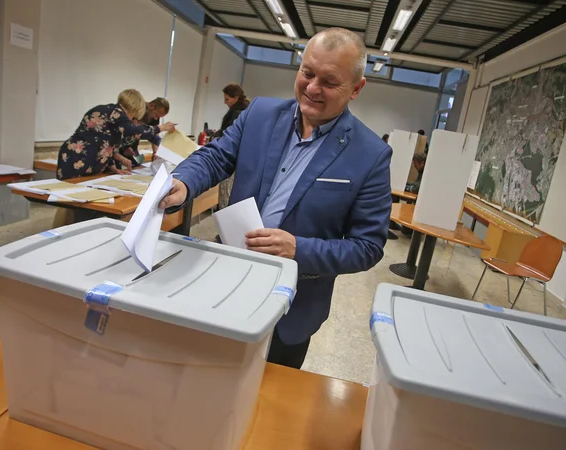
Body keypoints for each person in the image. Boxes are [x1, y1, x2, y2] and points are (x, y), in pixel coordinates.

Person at [159, 28, 392, 369]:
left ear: (356, 88)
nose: (312, 88)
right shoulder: (259, 115)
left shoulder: (371, 154)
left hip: (292, 307)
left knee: (270, 404)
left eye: (329, 82)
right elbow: (216, 156)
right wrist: (183, 182)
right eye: (307, 73)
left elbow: (367, 247)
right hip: (226, 281)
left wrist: (299, 249)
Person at [57, 89, 175, 180]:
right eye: (134, 116)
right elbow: (134, 130)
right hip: (76, 158)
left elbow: (109, 145)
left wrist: (113, 168)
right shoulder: (116, 112)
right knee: (70, 198)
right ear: (134, 107)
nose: (133, 119)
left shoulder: (115, 117)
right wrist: (161, 128)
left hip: (89, 162)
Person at [214, 84, 251, 209]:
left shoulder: (237, 113)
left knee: (226, 197)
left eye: (227, 99)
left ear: (236, 98)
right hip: (241, 160)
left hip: (231, 160)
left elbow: (230, 135)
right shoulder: (247, 110)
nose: (225, 102)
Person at [119, 97, 171, 168]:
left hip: (133, 141)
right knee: (118, 163)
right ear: (151, 106)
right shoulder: (136, 109)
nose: (156, 118)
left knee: (138, 162)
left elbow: (152, 134)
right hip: (120, 141)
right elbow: (130, 131)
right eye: (156, 115)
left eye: (158, 117)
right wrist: (124, 148)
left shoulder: (154, 118)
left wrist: (156, 152)